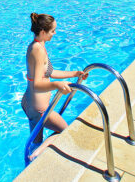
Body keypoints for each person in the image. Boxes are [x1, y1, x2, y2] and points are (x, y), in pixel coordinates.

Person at [22, 12, 88, 155]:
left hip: (30, 103)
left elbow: (50, 72)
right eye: (52, 31)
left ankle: (31, 161)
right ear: (43, 31)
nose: (55, 33)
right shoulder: (37, 50)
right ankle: (34, 157)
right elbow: (38, 84)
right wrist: (57, 85)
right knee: (65, 131)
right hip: (39, 109)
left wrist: (74, 74)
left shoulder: (38, 45)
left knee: (36, 142)